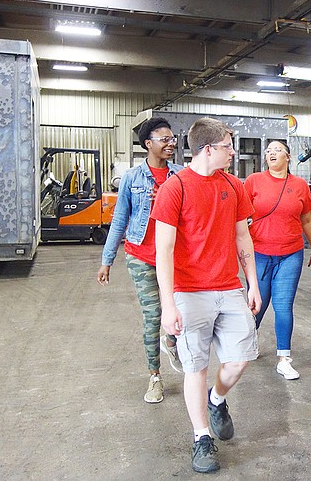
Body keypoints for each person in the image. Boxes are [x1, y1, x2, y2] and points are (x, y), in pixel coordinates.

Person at [153, 118, 261, 474]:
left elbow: (243, 237)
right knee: (196, 367)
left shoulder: (233, 185)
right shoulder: (175, 188)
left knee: (240, 359)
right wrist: (168, 305)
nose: (234, 151)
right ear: (209, 149)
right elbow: (164, 249)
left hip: (229, 286)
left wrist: (252, 284)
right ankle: (201, 438)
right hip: (189, 291)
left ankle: (218, 400)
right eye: (229, 145)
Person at [96, 117, 184, 404]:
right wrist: (106, 259)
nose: (171, 144)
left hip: (173, 257)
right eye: (165, 139)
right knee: (152, 317)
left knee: (180, 313)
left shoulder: (181, 176)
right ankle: (155, 377)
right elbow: (120, 218)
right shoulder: (133, 178)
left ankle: (171, 342)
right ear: (149, 144)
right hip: (140, 255)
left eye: (173, 139)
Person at [244, 140, 311, 381]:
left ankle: (284, 359)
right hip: (259, 253)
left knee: (283, 305)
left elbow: (307, 219)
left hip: (290, 253)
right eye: (268, 151)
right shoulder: (254, 181)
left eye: (277, 150)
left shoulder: (299, 185)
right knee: (257, 304)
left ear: (288, 156)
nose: (271, 153)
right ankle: (248, 341)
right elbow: (238, 216)